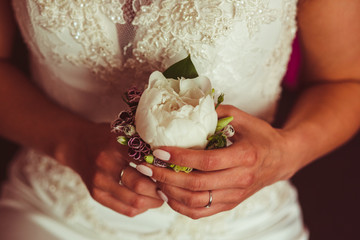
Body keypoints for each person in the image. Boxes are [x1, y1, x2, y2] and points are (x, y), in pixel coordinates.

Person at [0, 0, 359, 239]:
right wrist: (69, 142)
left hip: (243, 223)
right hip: (57, 210)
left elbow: (346, 81)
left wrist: (282, 155)